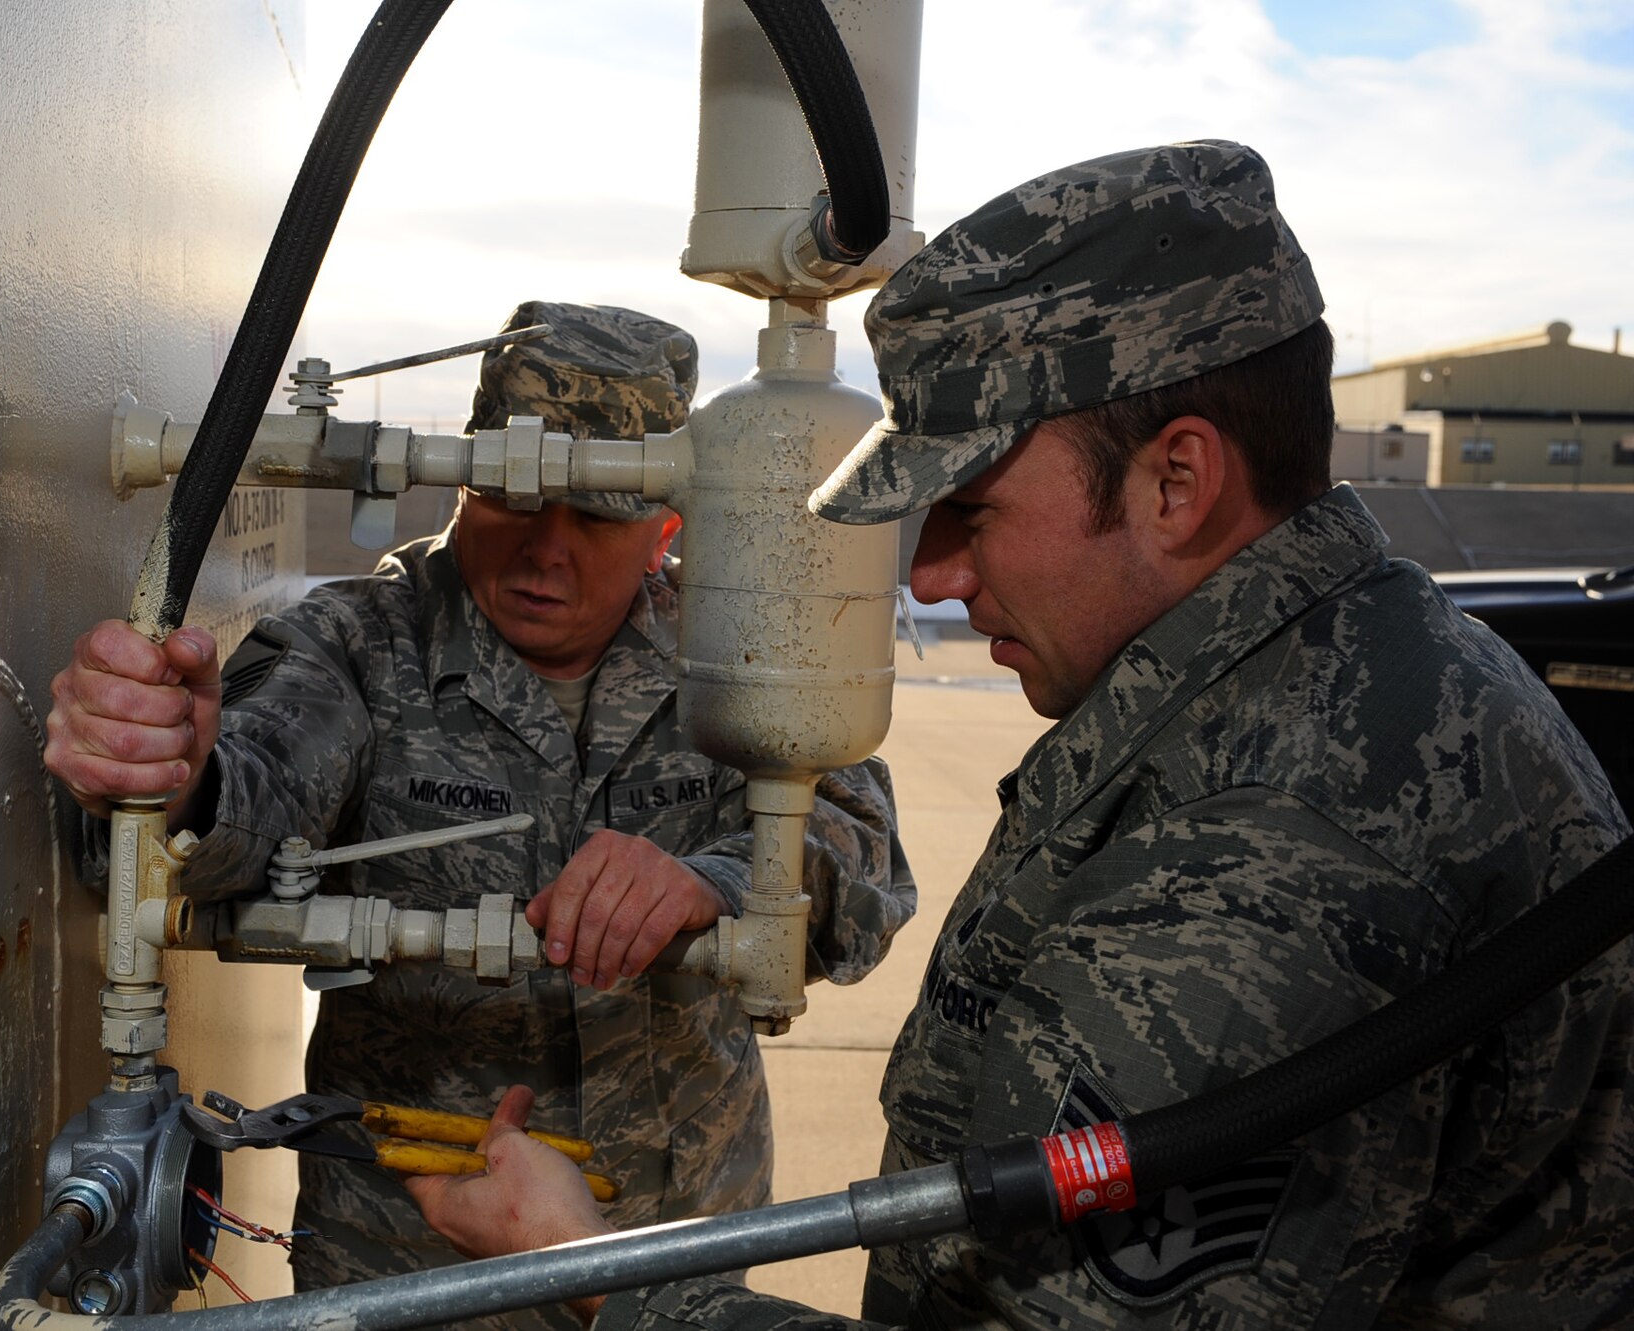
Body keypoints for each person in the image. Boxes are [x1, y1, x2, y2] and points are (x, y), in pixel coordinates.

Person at [406, 144, 1634, 1329]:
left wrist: (585, 1266)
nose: (931, 575)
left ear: (1175, 481)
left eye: (969, 508)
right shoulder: (1312, 684)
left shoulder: (1274, 855)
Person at [43, 300, 917, 1327]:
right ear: (462, 477)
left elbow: (861, 858)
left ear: (667, 521)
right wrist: (177, 774)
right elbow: (256, 775)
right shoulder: (360, 644)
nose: (545, 550)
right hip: (414, 1265)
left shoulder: (738, 651)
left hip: (676, 1250)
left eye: (593, 513)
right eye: (509, 496)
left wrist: (712, 882)